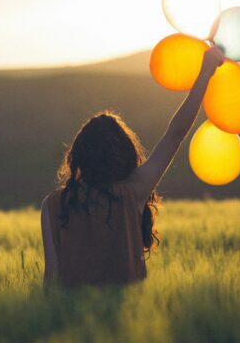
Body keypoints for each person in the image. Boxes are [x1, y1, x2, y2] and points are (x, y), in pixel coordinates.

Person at [41, 46, 225, 289]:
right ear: (124, 152)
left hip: (73, 322)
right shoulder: (133, 191)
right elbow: (175, 134)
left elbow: (51, 276)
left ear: (79, 155)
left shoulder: (54, 204)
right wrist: (205, 72)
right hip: (129, 321)